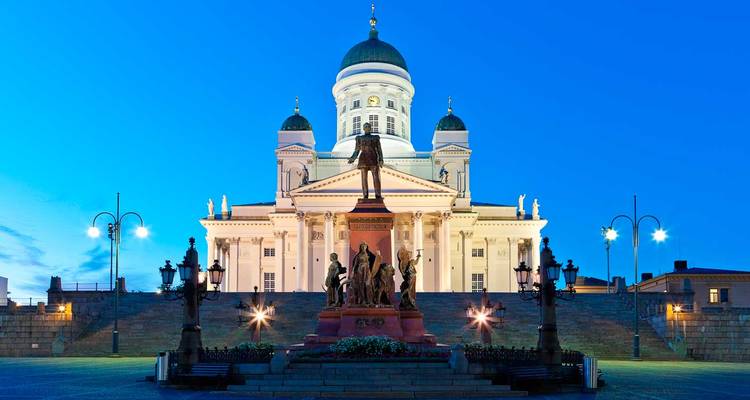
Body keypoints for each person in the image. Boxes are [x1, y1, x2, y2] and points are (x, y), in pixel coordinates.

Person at [347, 122, 384, 199]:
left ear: (370, 128)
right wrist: (352, 158)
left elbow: (379, 149)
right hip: (363, 159)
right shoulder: (359, 138)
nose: (367, 128)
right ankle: (365, 195)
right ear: (363, 129)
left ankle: (378, 195)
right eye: (365, 126)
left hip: (373, 158)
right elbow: (357, 150)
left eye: (368, 126)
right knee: (364, 178)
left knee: (376, 177)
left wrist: (381, 159)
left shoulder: (375, 138)